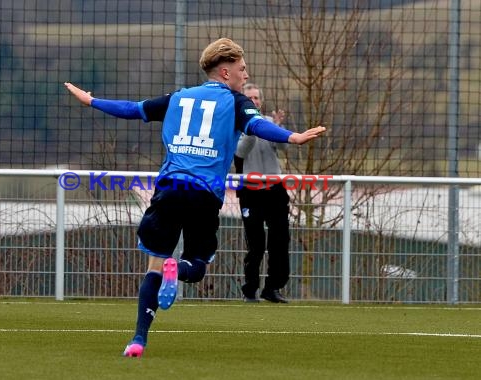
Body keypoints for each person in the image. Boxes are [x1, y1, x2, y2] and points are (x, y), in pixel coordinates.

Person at [64, 38, 326, 358]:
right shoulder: (236, 101)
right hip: (203, 195)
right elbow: (257, 126)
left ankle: (138, 340)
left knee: (153, 267)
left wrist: (92, 101)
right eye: (242, 70)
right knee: (198, 266)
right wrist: (293, 137)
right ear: (226, 72)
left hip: (170, 190)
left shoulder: (178, 97)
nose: (246, 75)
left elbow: (133, 109)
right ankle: (180, 268)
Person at [234, 83, 291, 304]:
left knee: (280, 241)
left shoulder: (269, 123)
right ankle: (250, 289)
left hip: (275, 189)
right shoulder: (236, 127)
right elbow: (241, 152)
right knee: (256, 244)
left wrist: (277, 129)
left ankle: (273, 288)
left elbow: (285, 150)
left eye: (257, 98)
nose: (254, 101)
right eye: (250, 98)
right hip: (251, 191)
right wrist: (252, 128)